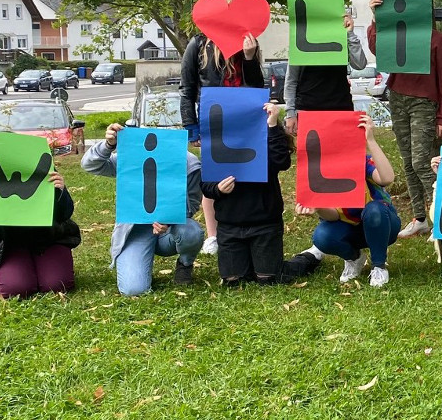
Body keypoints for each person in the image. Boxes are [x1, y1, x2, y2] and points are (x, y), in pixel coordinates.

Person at [284, 8, 370, 267]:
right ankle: (327, 235)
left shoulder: (340, 38)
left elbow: (360, 64)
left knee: (343, 173)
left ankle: (346, 240)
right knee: (317, 174)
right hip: (309, 115)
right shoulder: (301, 41)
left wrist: (350, 35)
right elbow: (291, 81)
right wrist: (290, 112)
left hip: (341, 113)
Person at [366, 0, 442, 239]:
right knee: (407, 161)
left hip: (424, 103)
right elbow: (376, 48)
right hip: (398, 97)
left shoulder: (436, 39)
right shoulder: (396, 36)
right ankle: (420, 218)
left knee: (421, 162)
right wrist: (376, 17)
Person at [81, 123, 205, 296]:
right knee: (134, 289)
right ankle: (137, 259)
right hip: (135, 230)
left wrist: (168, 221)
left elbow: (191, 205)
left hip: (169, 230)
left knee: (192, 232)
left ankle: (185, 264)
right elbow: (90, 165)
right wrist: (108, 145)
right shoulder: (133, 157)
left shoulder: (190, 164)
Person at [201, 103, 312, 286]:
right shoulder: (216, 144)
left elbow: (281, 161)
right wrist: (217, 189)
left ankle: (309, 257)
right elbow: (205, 186)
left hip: (265, 224)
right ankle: (252, 262)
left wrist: (272, 124)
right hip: (230, 227)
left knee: (268, 279)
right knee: (233, 281)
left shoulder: (265, 140)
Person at [180, 25, 264, 257]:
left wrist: (249, 57)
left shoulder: (249, 42)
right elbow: (187, 88)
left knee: (244, 172)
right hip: (214, 117)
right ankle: (213, 234)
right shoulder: (199, 44)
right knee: (213, 175)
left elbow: (257, 87)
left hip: (244, 118)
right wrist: (191, 128)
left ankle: (241, 226)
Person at [294, 114, 401, 288]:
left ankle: (379, 266)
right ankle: (354, 258)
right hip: (348, 228)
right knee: (322, 237)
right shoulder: (319, 169)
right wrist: (318, 206)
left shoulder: (361, 160)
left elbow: (387, 178)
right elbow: (333, 216)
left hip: (382, 224)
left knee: (375, 210)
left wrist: (371, 141)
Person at [0, 160, 78, 299]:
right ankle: (22, 270)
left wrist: (61, 191)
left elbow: (65, 214)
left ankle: (45, 267)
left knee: (57, 285)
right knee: (14, 289)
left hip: (50, 239)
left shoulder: (40, 165)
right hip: (11, 247)